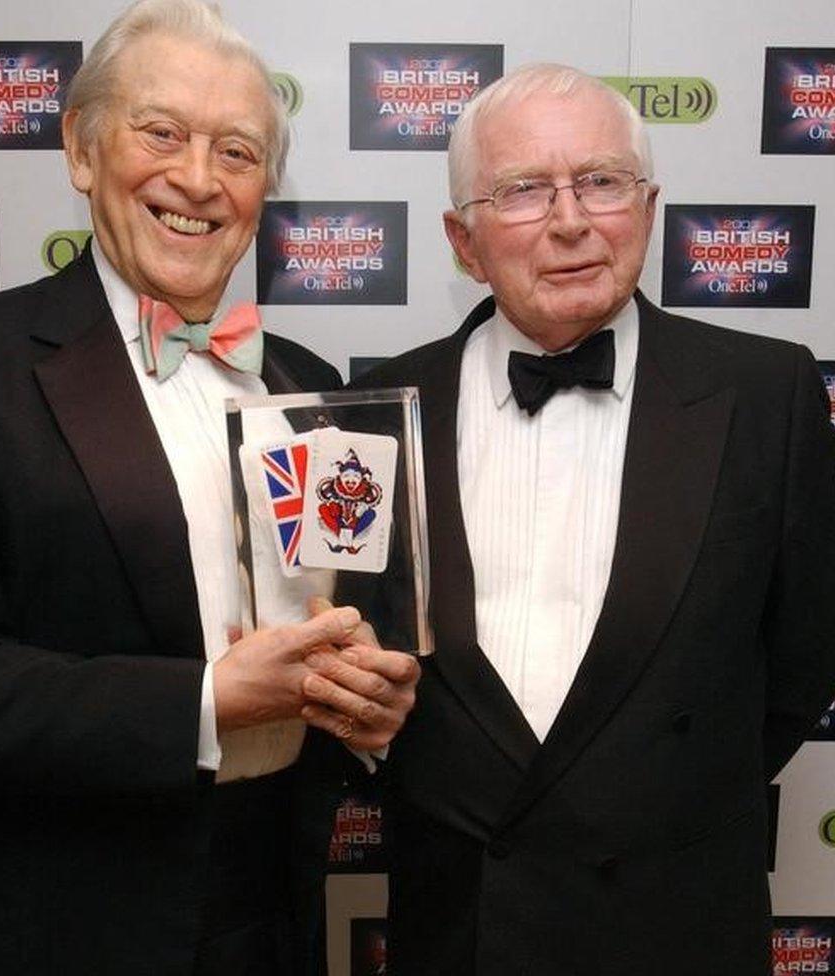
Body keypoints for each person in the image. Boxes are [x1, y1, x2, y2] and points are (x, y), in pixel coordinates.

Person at [0, 2, 418, 974]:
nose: (197, 178)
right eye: (160, 133)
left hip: (262, 913)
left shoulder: (303, 384)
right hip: (37, 922)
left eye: (237, 151)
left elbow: (334, 634)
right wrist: (205, 700)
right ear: (80, 147)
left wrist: (362, 706)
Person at [354, 63, 835, 975]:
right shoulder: (379, 407)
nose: (571, 219)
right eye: (524, 190)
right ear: (463, 240)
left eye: (602, 181)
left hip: (678, 928)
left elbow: (801, 664)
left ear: (648, 208)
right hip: (458, 932)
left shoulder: (766, 393)